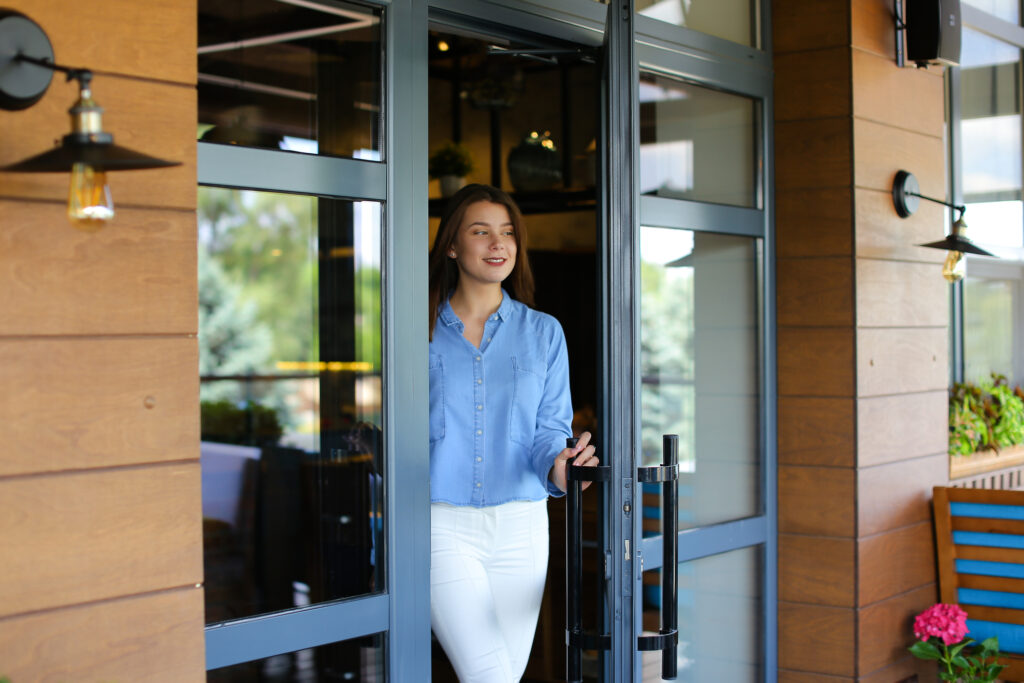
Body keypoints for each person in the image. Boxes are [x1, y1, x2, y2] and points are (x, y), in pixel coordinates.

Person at [428, 183, 599, 682]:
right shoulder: (416, 329)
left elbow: (550, 428)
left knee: (503, 673)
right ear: (453, 246)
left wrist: (563, 466)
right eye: (480, 231)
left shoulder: (544, 332)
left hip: (522, 529)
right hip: (441, 525)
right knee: (490, 675)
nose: (497, 243)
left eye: (507, 233)